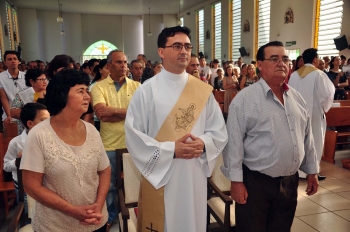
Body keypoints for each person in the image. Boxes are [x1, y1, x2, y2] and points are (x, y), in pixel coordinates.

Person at [124, 26, 227, 232]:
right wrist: (172, 150)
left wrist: (204, 143)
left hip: (194, 174)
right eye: (177, 46)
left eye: (188, 46)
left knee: (193, 222)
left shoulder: (202, 90)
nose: (184, 51)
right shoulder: (146, 91)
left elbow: (218, 131)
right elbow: (134, 136)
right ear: (161, 51)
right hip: (162, 175)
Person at [221, 41, 319, 232]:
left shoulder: (296, 98)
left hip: (289, 182)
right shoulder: (245, 100)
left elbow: (307, 137)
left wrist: (312, 170)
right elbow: (233, 144)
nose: (281, 63)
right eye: (274, 59)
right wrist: (236, 182)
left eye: (285, 59)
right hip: (255, 183)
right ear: (259, 64)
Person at [20, 69, 111, 231]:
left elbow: (104, 170)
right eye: (80, 91)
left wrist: (98, 204)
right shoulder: (39, 135)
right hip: (56, 225)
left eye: (87, 90)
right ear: (62, 95)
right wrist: (73, 211)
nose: (87, 96)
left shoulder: (91, 131)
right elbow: (31, 186)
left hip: (95, 221)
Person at [90, 49, 140, 230]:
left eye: (125, 62)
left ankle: (134, 213)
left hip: (133, 144)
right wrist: (129, 113)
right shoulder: (97, 87)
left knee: (134, 183)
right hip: (109, 144)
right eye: (119, 62)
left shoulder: (137, 87)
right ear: (109, 66)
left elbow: (141, 115)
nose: (124, 66)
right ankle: (109, 216)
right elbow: (102, 114)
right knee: (109, 185)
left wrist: (115, 112)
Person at [289, 48, 335, 180]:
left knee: (298, 140)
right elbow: (328, 93)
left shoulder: (294, 75)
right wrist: (324, 107)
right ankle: (312, 171)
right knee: (315, 140)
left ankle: (297, 170)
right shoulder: (319, 74)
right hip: (313, 114)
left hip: (296, 113)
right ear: (315, 59)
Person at [4, 103, 50, 205]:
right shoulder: (16, 142)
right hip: (24, 186)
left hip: (46, 185)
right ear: (30, 123)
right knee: (28, 212)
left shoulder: (51, 140)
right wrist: (18, 160)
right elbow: (6, 166)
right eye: (43, 120)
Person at [11, 68, 48, 134]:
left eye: (45, 79)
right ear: (32, 81)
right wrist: (31, 113)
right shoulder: (22, 95)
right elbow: (13, 112)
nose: (45, 82)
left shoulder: (49, 94)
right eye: (41, 79)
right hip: (28, 131)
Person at [0, 51, 27, 133]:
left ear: (18, 61)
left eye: (15, 59)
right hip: (9, 115)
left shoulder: (26, 76)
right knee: (11, 142)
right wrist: (9, 115)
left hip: (26, 114)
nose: (13, 61)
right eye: (9, 59)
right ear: (5, 63)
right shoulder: (1, 77)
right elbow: (3, 97)